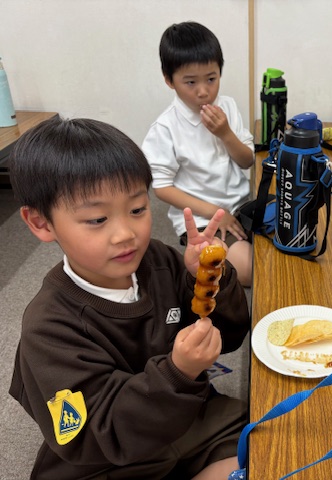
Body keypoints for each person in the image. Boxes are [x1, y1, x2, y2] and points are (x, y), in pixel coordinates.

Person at [8, 117, 250, 480]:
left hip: (186, 417)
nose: (125, 234)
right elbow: (94, 433)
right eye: (97, 219)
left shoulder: (160, 262)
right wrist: (178, 373)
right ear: (41, 223)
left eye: (137, 209)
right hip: (110, 455)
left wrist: (205, 278)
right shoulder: (48, 328)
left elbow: (229, 337)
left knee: (268, 442)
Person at [142, 21, 254, 287]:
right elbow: (162, 188)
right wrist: (215, 211)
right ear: (169, 80)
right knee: (249, 271)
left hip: (241, 206)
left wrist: (226, 133)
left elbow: (247, 160)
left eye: (211, 79)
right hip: (203, 219)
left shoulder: (227, 106)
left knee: (287, 242)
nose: (203, 91)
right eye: (190, 82)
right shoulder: (165, 127)